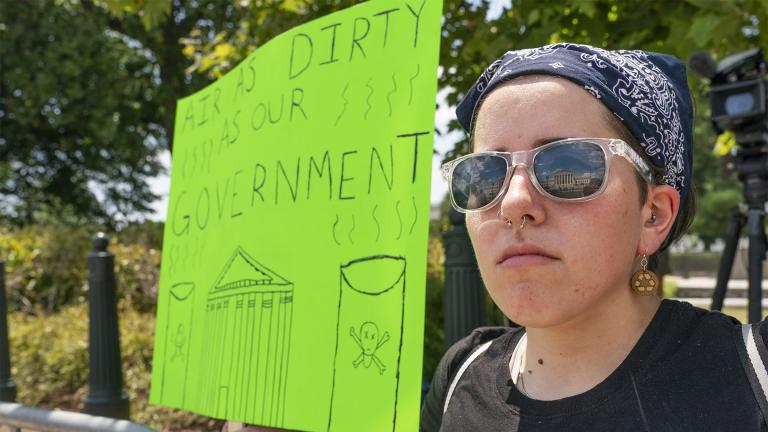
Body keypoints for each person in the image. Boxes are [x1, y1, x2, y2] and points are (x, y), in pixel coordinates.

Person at [420, 43, 768, 431]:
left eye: (566, 165)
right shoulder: (459, 377)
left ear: (653, 215)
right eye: (484, 176)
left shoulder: (753, 377)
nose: (513, 202)